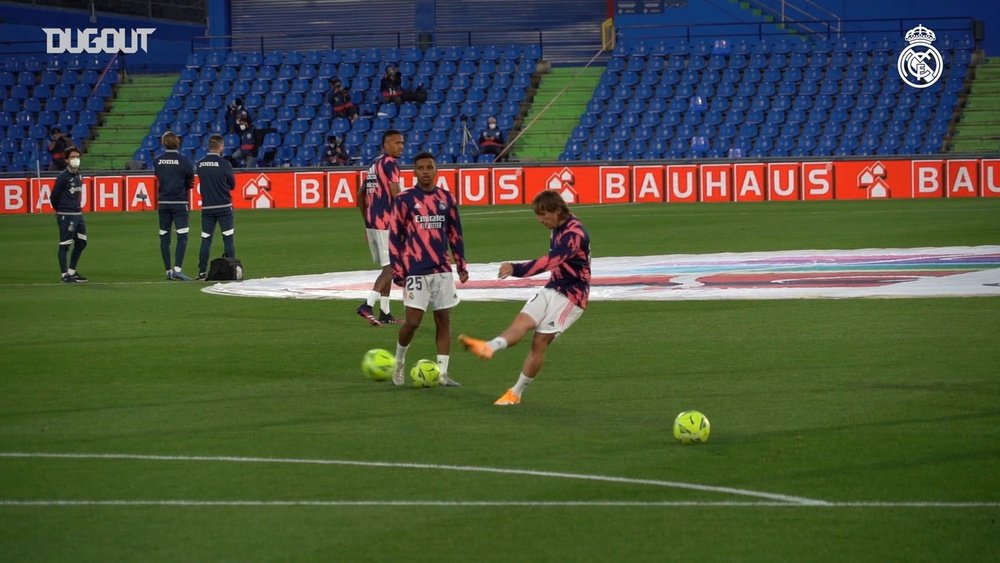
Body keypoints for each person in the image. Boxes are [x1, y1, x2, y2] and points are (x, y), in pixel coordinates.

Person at [459, 190, 591, 405]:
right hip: (553, 287)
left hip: (571, 297)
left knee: (539, 341)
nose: (540, 220)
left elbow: (549, 262)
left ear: (557, 211)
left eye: (543, 215)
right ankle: (489, 347)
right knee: (522, 321)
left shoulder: (574, 235)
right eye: (538, 215)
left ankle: (515, 393)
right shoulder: (558, 224)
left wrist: (516, 269)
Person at [388, 152, 469, 387]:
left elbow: (455, 233)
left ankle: (442, 373)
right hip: (415, 269)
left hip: (442, 269)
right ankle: (400, 362)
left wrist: (461, 264)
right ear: (414, 172)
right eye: (421, 167)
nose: (425, 171)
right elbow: (395, 236)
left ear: (436, 171)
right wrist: (397, 269)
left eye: (429, 167)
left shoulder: (447, 198)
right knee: (412, 322)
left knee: (443, 320)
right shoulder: (404, 199)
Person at [355, 129, 405, 326]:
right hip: (386, 223)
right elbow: (397, 195)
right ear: (386, 145)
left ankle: (385, 312)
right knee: (392, 267)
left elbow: (360, 194)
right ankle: (367, 305)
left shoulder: (374, 164)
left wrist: (366, 223)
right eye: (396, 143)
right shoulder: (391, 164)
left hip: (373, 223)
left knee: (388, 266)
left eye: (402, 143)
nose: (400, 146)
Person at [153, 131, 196, 281]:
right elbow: (191, 179)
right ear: (177, 143)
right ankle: (177, 269)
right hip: (179, 202)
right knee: (182, 236)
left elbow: (159, 176)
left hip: (164, 203)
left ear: (164, 143)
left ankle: (168, 271)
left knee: (164, 237)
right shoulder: (184, 161)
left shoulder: (157, 161)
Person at [195, 134, 237, 280]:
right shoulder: (225, 164)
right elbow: (232, 185)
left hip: (207, 208)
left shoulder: (200, 164)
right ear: (220, 147)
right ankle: (232, 271)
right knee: (228, 238)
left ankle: (201, 271)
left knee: (206, 239)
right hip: (224, 207)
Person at [50, 147, 88, 283]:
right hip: (66, 214)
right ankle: (64, 275)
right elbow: (53, 196)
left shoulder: (79, 175)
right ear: (66, 160)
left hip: (78, 214)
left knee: (82, 242)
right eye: (72, 157)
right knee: (65, 245)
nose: (75, 159)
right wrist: (58, 210)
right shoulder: (62, 177)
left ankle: (72, 271)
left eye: (77, 156)